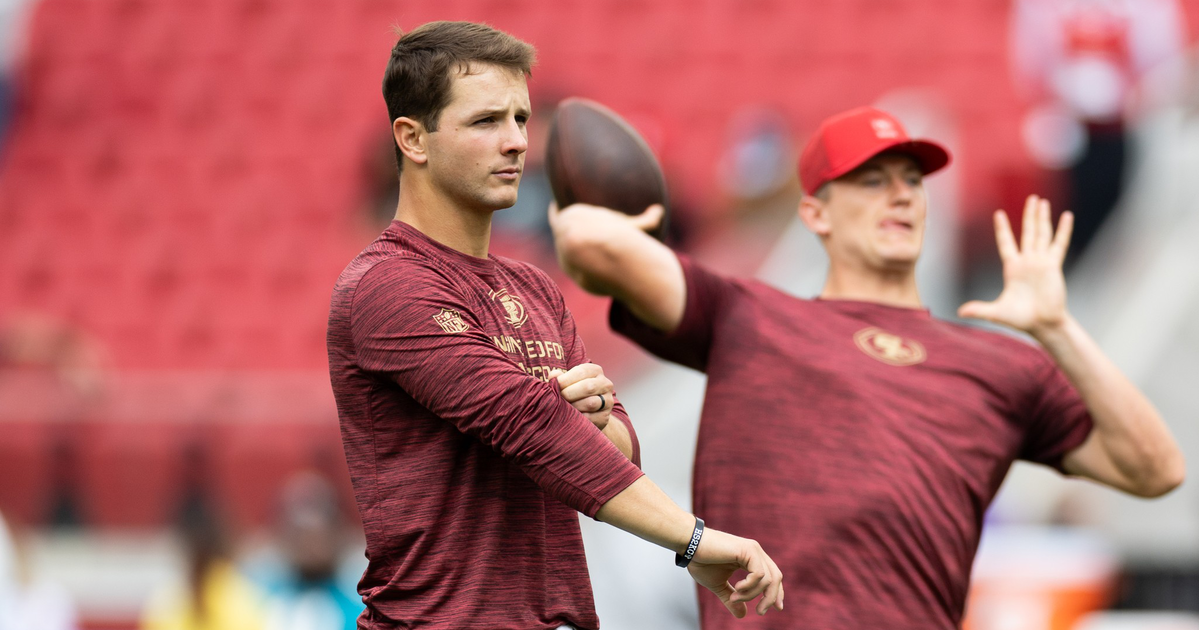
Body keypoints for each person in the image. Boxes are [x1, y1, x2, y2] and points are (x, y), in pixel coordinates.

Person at [549, 105, 1184, 630]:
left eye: (912, 180)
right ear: (816, 214)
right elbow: (589, 241)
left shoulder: (1000, 363)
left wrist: (1058, 328)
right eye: (872, 180)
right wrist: (634, 220)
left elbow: (1155, 470)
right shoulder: (748, 314)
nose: (902, 195)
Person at [326, 21, 783, 630]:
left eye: (521, 118)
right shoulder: (387, 284)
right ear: (413, 139)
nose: (518, 142)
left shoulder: (536, 287)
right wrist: (693, 541)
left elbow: (617, 446)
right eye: (487, 121)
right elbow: (531, 427)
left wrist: (589, 419)